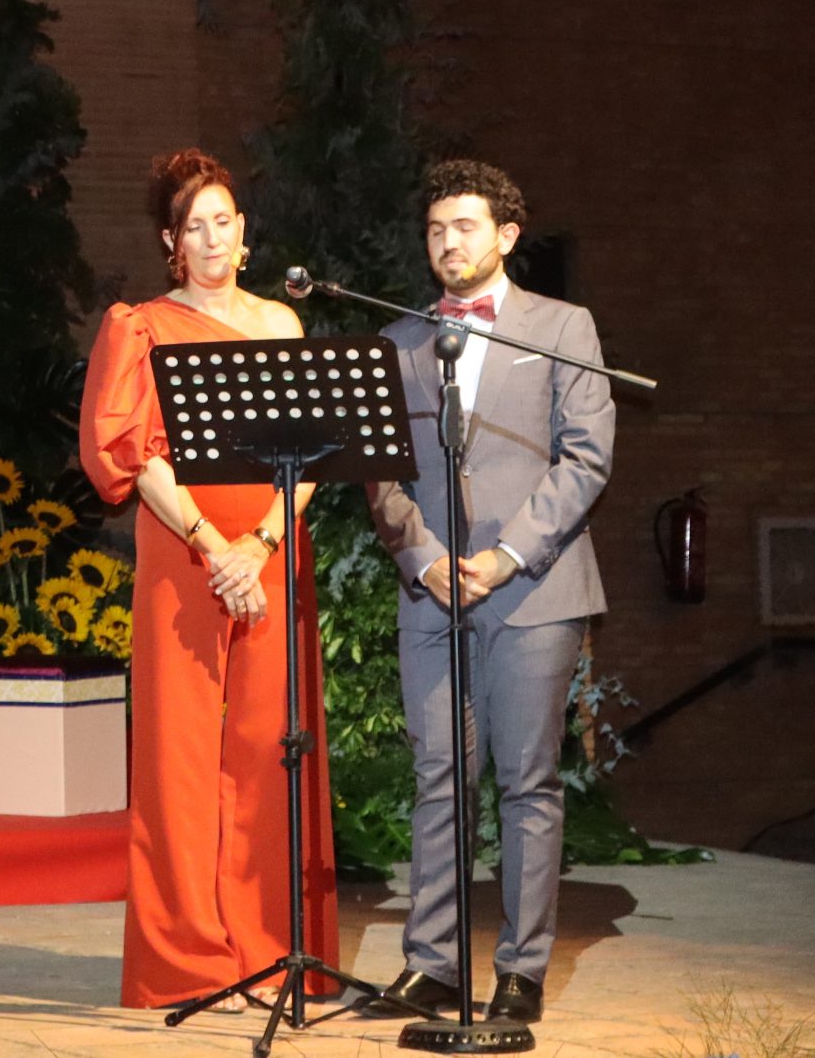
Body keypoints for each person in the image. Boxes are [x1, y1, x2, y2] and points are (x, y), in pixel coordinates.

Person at [80, 148, 338, 1011]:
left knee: (271, 747)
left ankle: (268, 945)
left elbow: (312, 455)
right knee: (179, 755)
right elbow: (131, 453)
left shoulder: (281, 323)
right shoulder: (143, 326)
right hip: (182, 555)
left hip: (271, 552)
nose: (214, 237)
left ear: (245, 231)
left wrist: (258, 544)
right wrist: (211, 544)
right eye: (196, 226)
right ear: (171, 241)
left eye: (225, 220)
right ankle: (190, 959)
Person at [363, 160, 614, 1027]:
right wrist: (424, 555)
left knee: (527, 780)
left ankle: (521, 968)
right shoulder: (399, 341)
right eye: (436, 230)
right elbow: (379, 474)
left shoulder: (563, 327)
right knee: (439, 777)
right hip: (433, 591)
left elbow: (587, 458)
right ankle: (432, 964)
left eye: (464, 226)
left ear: (506, 235)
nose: (448, 242)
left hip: (532, 590)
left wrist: (507, 555)